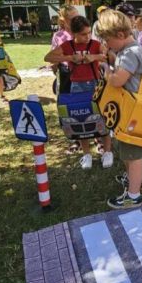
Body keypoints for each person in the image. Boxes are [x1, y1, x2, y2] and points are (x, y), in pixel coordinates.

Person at [44, 15, 114, 170]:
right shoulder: (68, 45)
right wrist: (70, 57)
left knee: (102, 117)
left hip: (95, 84)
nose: (87, 37)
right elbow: (48, 57)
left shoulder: (94, 44)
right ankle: (86, 154)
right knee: (80, 119)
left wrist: (94, 57)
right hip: (76, 86)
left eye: (89, 33)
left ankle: (107, 151)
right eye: (83, 34)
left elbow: (108, 56)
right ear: (74, 33)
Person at [95, 9, 142, 209]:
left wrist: (106, 70)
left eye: (108, 41)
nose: (107, 45)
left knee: (133, 155)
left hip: (131, 112)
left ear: (119, 35)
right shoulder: (129, 50)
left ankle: (133, 196)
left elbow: (117, 80)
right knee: (127, 151)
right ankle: (131, 179)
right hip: (128, 110)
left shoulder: (130, 53)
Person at [51, 5, 78, 94]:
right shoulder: (58, 36)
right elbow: (53, 58)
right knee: (66, 96)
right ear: (63, 20)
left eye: (78, 17)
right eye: (72, 19)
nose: (77, 21)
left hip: (83, 71)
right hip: (66, 72)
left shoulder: (83, 32)